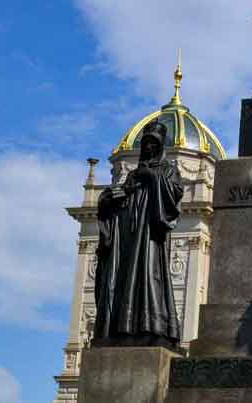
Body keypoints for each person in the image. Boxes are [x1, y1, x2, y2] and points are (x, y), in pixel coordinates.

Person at [93, 120, 185, 348]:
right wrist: (110, 198)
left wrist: (151, 177)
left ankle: (150, 326)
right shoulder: (132, 175)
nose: (149, 148)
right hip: (128, 236)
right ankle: (121, 327)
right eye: (146, 143)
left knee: (149, 278)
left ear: (161, 146)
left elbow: (174, 197)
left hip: (150, 237)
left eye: (154, 144)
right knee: (121, 281)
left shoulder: (168, 171)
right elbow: (119, 199)